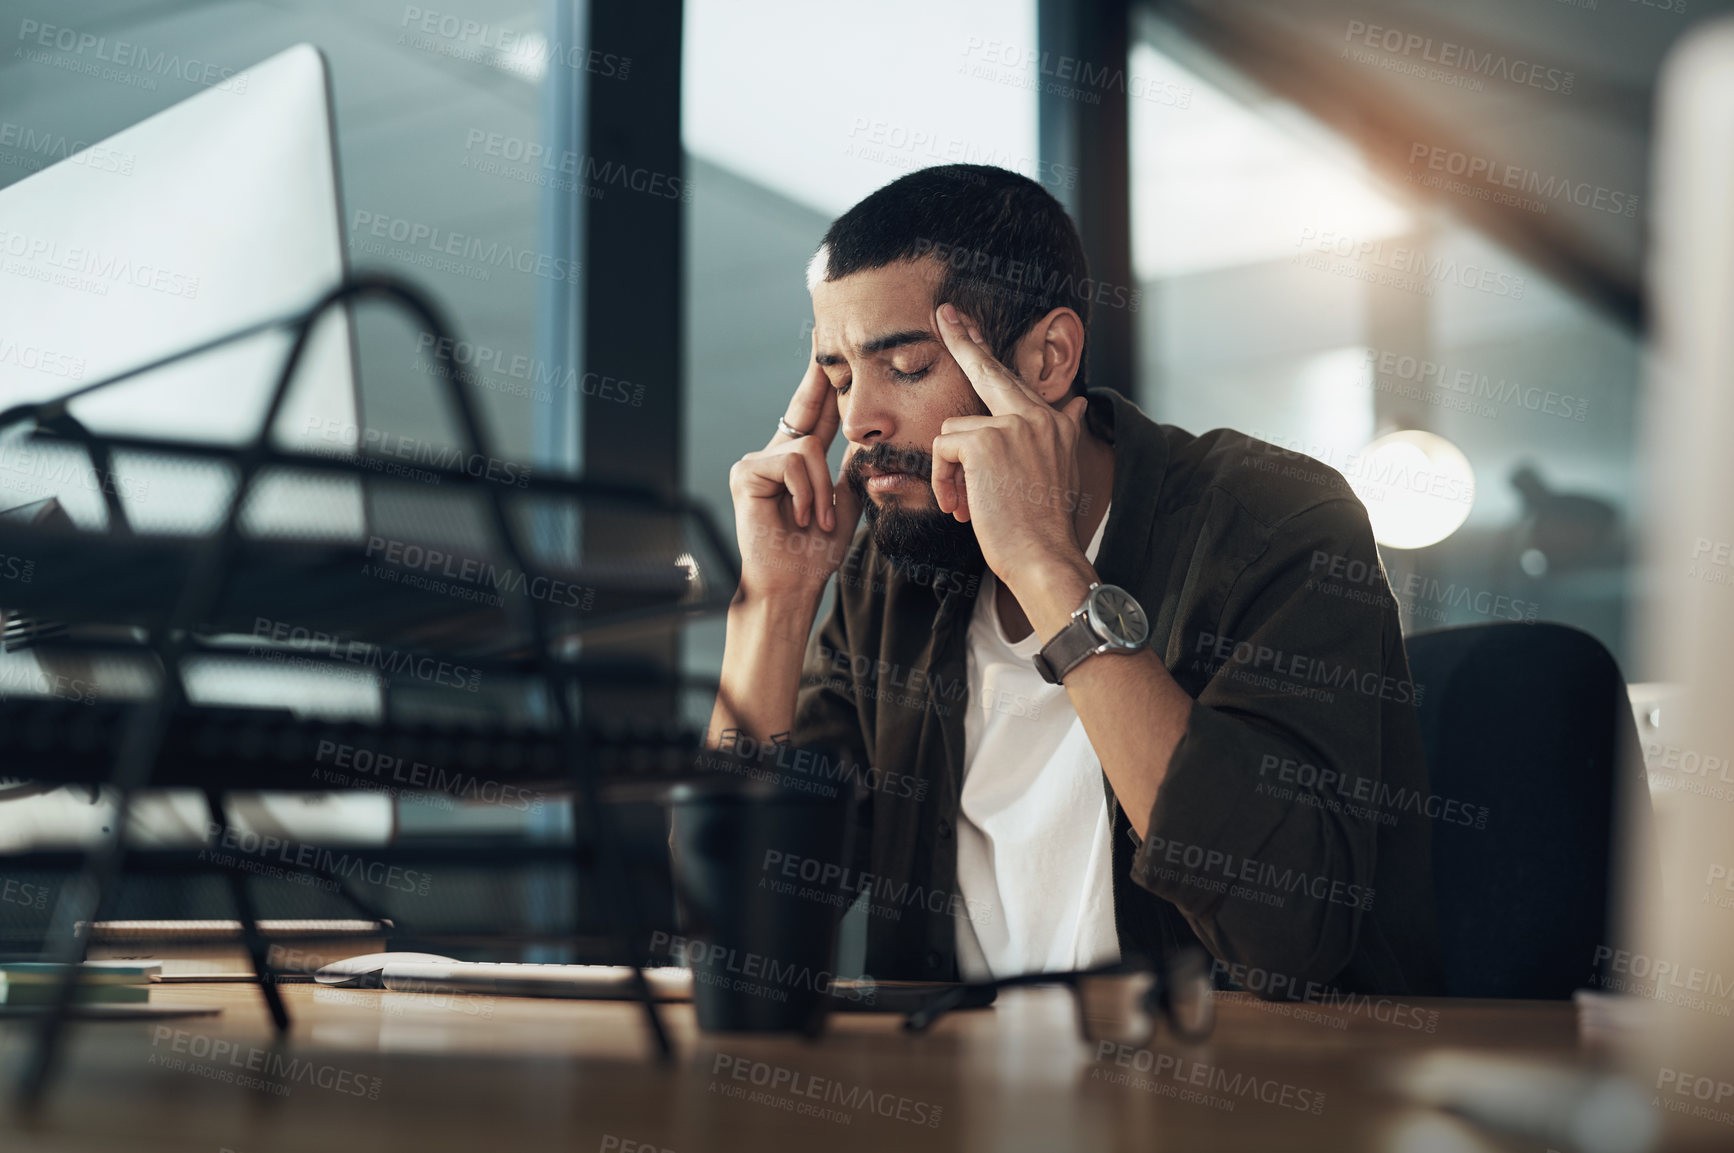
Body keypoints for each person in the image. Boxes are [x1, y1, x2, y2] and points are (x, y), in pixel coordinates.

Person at [707, 163, 1443, 997]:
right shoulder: (893, 569)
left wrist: (1046, 567)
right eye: (838, 377)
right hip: (955, 1098)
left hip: (1229, 1102)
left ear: (1049, 357)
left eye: (905, 367)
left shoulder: (1273, 520)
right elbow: (741, 918)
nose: (857, 421)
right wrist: (774, 603)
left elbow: (1286, 931)